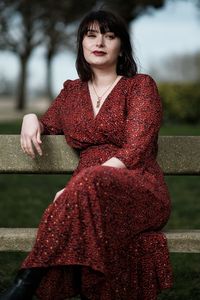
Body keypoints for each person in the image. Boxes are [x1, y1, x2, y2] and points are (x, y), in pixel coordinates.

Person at [0, 9, 173, 300]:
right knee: (88, 191)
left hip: (138, 186)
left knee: (89, 183)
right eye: (91, 35)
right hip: (87, 193)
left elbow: (136, 148)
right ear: (81, 44)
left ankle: (26, 282)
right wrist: (31, 117)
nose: (100, 42)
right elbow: (49, 123)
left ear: (121, 47)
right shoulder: (71, 93)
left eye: (109, 36)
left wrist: (79, 187)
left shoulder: (140, 86)